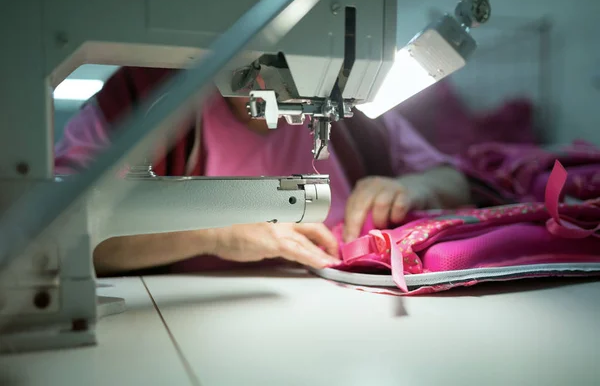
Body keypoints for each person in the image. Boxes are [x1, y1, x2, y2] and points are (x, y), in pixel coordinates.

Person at [55, 67, 471, 276]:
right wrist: (215, 233)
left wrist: (414, 186)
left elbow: (454, 180)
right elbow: (54, 237)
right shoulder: (141, 104)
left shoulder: (354, 116)